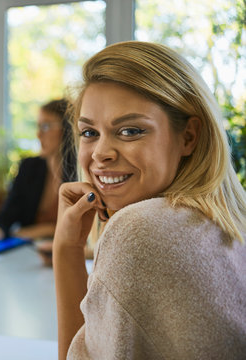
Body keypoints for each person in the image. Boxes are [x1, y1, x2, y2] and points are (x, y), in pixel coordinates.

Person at [53, 41, 246, 359]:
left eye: (130, 131)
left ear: (189, 136)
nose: (101, 153)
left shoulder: (140, 228)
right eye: (89, 133)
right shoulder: (223, 219)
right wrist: (69, 246)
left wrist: (66, 252)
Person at [0, 99, 77, 253]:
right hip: (30, 255)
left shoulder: (81, 171)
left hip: (70, 255)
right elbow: (4, 219)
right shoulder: (29, 168)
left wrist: (45, 230)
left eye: (46, 126)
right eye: (38, 126)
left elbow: (81, 229)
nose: (39, 134)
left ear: (68, 129)